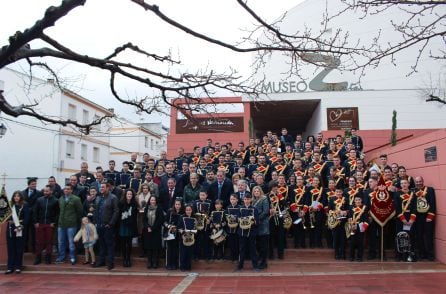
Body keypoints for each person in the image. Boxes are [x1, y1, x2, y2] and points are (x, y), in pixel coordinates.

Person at [55, 184, 83, 265]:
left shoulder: (76, 199)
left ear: (71, 190)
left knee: (71, 242)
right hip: (61, 224)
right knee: (61, 242)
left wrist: (76, 220)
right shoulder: (61, 199)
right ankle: (61, 257)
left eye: (68, 189)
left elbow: (80, 211)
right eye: (65, 189)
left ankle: (73, 257)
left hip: (71, 224)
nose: (66, 190)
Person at [94, 183, 119, 270]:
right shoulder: (98, 198)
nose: (101, 188)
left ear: (108, 188)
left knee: (110, 245)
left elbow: (116, 212)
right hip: (99, 225)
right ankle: (101, 261)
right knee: (101, 244)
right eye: (101, 187)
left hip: (108, 225)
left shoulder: (113, 198)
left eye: (103, 187)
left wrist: (111, 223)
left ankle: (110, 262)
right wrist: (95, 222)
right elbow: (96, 211)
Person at [33, 185, 59, 265]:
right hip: (40, 224)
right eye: (44, 191)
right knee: (39, 242)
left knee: (49, 242)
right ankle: (38, 258)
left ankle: (48, 258)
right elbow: (35, 211)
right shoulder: (39, 200)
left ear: (51, 191)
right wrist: (36, 222)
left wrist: (53, 222)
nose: (45, 192)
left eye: (47, 191)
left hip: (49, 224)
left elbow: (57, 213)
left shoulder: (55, 200)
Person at [5, 191, 30, 274]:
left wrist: (22, 226)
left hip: (20, 228)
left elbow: (27, 218)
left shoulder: (24, 205)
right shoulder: (10, 205)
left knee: (19, 248)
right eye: (15, 196)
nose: (16, 198)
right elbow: (5, 216)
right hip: (10, 228)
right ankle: (10, 267)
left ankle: (18, 267)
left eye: (18, 196)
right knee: (11, 248)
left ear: (21, 197)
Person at [236, 193, 259, 272]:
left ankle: (255, 266)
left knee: (253, 249)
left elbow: (257, 221)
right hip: (241, 232)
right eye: (245, 199)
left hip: (251, 232)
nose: (246, 201)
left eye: (248, 199)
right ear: (243, 200)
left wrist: (252, 221)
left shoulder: (254, 209)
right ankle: (239, 267)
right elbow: (237, 219)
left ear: (251, 200)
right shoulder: (240, 208)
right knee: (242, 249)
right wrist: (242, 220)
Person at [414, 176, 436, 261]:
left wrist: (430, 216)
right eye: (417, 182)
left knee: (428, 236)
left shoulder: (430, 190)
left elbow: (433, 203)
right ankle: (422, 254)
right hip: (418, 217)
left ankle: (430, 255)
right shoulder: (414, 191)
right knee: (419, 236)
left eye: (420, 181)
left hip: (427, 217)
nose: (418, 183)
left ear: (423, 181)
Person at [143, 195, 164, 269]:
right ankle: (149, 261)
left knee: (155, 247)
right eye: (151, 200)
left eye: (154, 200)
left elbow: (160, 220)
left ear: (156, 201)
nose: (153, 201)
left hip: (156, 231)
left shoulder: (159, 208)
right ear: (149, 201)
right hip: (148, 231)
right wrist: (148, 227)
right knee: (149, 247)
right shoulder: (146, 208)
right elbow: (144, 219)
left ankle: (155, 262)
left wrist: (153, 228)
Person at [119, 189, 138, 267]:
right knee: (123, 243)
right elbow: (119, 215)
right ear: (125, 195)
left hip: (130, 225)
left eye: (130, 194)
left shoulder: (134, 204)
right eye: (128, 194)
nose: (129, 195)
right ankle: (124, 259)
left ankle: (128, 258)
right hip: (123, 225)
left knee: (129, 244)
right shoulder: (121, 203)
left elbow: (134, 216)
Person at [252, 186, 270, 269]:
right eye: (255, 191)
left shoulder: (264, 199)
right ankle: (261, 260)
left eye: (258, 191)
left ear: (260, 191)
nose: (256, 192)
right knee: (258, 245)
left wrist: (257, 219)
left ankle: (264, 262)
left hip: (263, 225)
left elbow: (266, 211)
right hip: (255, 226)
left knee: (264, 246)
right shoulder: (252, 200)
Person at [347, 195, 369, 261]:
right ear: (354, 201)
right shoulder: (351, 207)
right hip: (353, 226)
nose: (358, 201)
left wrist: (364, 226)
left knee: (360, 243)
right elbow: (349, 216)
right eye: (356, 200)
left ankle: (359, 257)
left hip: (361, 226)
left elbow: (366, 218)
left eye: (359, 200)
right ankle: (351, 257)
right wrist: (351, 224)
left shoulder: (364, 208)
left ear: (361, 200)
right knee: (352, 242)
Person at [165, 198, 183, 270]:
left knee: (176, 249)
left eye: (179, 204)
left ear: (181, 205)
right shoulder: (170, 211)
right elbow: (165, 222)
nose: (177, 206)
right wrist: (169, 226)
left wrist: (179, 229)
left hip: (178, 234)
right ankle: (169, 264)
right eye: (176, 204)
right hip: (170, 233)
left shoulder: (182, 213)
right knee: (170, 249)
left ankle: (175, 264)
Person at [178, 204, 197, 271]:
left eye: (189, 210)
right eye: (187, 210)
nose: (188, 211)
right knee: (183, 253)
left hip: (191, 238)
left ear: (191, 210)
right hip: (184, 238)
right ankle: (182, 266)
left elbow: (195, 227)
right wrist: (183, 232)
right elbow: (179, 227)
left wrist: (193, 232)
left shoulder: (194, 218)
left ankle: (188, 266)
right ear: (185, 210)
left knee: (189, 252)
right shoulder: (181, 217)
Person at [225, 194, 240, 262]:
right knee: (231, 243)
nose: (232, 200)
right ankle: (232, 257)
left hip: (237, 229)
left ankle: (237, 256)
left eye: (234, 199)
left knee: (237, 243)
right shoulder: (228, 207)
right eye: (231, 199)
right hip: (230, 228)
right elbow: (226, 217)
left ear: (237, 200)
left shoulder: (239, 207)